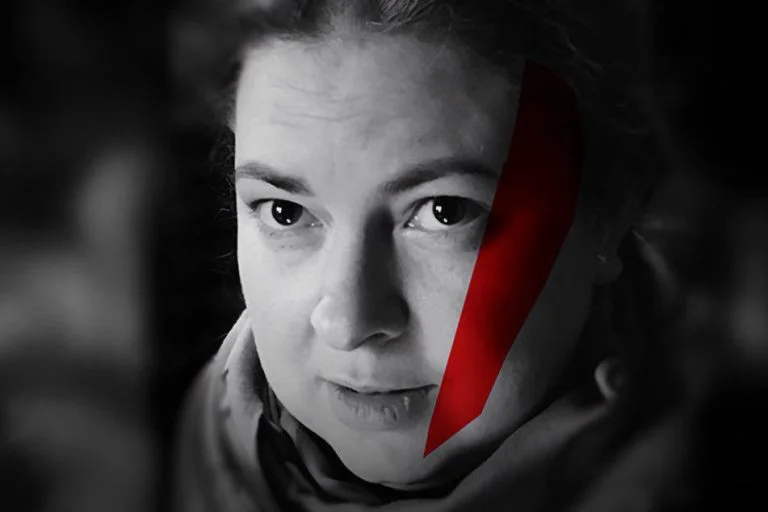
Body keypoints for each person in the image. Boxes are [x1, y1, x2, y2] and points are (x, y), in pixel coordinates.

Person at [171, 1, 660, 510]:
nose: (349, 324)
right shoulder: (193, 438)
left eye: (445, 212)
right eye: (285, 212)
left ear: (607, 216)